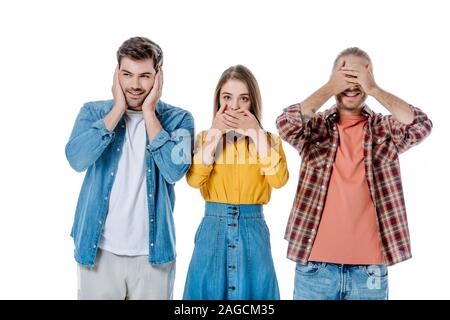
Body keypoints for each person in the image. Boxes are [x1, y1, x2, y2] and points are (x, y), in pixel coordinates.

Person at [276, 47, 432, 300]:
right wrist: (330, 87)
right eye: (344, 75)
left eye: (358, 76)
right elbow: (285, 123)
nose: (351, 83)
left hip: (369, 272)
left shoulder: (384, 128)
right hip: (315, 268)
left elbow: (421, 125)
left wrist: (374, 90)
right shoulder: (315, 128)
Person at [65, 36, 194, 299]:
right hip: (99, 250)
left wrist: (149, 112)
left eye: (145, 76)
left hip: (153, 255)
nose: (135, 84)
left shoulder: (179, 119)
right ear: (116, 75)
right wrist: (118, 109)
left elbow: (174, 170)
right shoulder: (93, 113)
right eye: (127, 74)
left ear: (159, 77)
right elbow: (76, 159)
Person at [183, 65, 289, 299]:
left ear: (253, 103)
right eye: (227, 97)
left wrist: (255, 134)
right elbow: (193, 180)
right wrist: (215, 133)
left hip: (253, 229)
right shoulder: (204, 138)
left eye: (244, 99)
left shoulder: (269, 140)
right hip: (213, 230)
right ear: (218, 100)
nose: (234, 106)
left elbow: (279, 180)